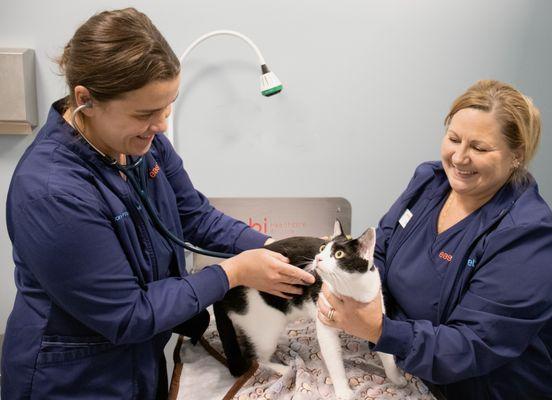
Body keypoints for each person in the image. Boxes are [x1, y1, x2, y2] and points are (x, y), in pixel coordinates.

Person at [1, 8, 315, 399]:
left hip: (138, 359)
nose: (162, 125)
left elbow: (195, 216)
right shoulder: (51, 193)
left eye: (168, 106)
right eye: (146, 113)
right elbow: (128, 314)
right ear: (85, 100)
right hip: (73, 379)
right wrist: (232, 274)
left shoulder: (138, 146)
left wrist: (274, 251)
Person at [317, 80, 552, 399]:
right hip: (407, 363)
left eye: (479, 148)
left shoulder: (527, 236)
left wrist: (380, 330)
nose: (459, 158)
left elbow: (472, 346)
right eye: (453, 139)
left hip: (476, 388)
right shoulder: (429, 183)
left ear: (516, 156)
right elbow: (380, 254)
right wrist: (345, 286)